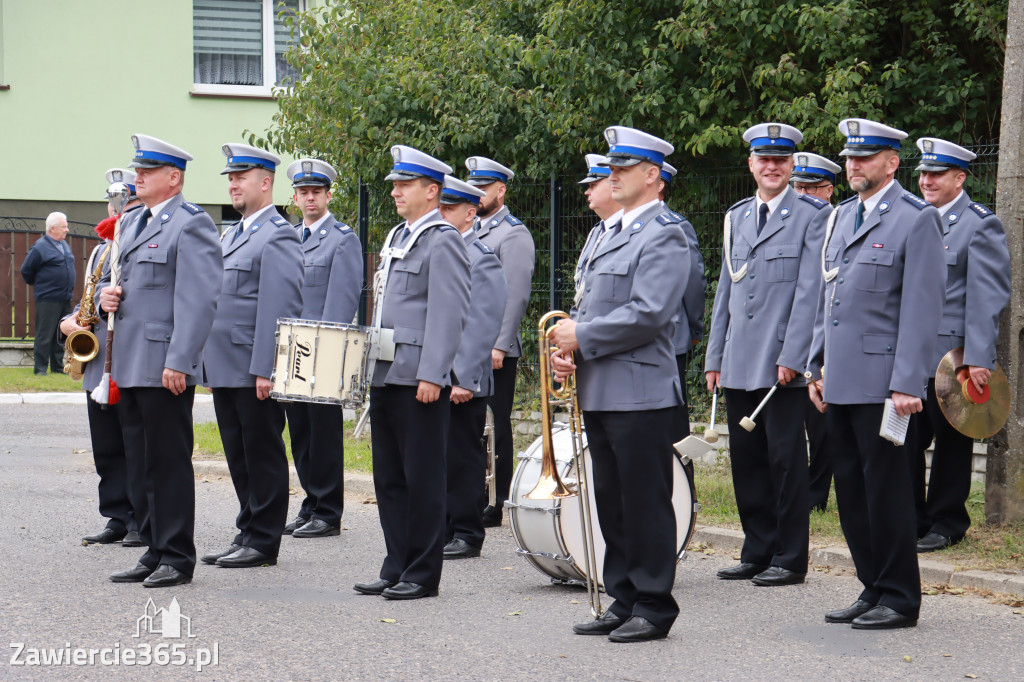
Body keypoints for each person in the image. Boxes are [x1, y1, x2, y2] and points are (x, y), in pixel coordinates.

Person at [550, 126, 690, 643]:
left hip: (641, 391)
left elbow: (649, 315)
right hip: (602, 387)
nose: (614, 175)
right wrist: (571, 352)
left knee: (645, 502)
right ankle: (623, 596)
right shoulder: (605, 232)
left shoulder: (666, 233)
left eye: (624, 167)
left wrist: (582, 335)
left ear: (652, 176)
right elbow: (593, 307)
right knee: (611, 499)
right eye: (612, 167)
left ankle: (655, 605)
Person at [807, 118, 945, 629]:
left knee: (886, 491)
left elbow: (923, 307)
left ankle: (900, 597)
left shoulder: (915, 218)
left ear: (891, 163)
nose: (853, 166)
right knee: (851, 490)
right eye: (849, 157)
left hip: (886, 382)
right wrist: (815, 365)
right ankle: (872, 586)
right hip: (840, 378)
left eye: (865, 158)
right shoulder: (840, 217)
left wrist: (909, 381)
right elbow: (829, 297)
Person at [705, 124, 829, 587]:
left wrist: (796, 355)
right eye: (764, 159)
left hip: (782, 363)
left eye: (781, 160)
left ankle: (790, 556)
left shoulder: (814, 215)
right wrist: (714, 357)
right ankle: (756, 548)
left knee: (785, 459)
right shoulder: (737, 216)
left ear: (792, 166)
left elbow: (811, 291)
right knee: (747, 460)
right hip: (738, 359)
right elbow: (725, 290)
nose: (772, 167)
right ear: (752, 165)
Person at [99, 134, 222, 588]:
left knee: (168, 462)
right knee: (140, 460)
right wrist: (110, 296)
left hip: (164, 364)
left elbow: (199, 299)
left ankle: (176, 555)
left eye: (147, 172)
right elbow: (128, 284)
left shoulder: (192, 224)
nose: (138, 178)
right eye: (138, 171)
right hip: (130, 360)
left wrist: (181, 361)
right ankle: (152, 547)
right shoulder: (132, 223)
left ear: (174, 178)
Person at [353, 145, 470, 600]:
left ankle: (422, 573)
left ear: (432, 191)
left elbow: (449, 312)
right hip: (387, 373)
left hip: (418, 377)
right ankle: (395, 563)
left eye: (405, 185)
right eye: (395, 185)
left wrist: (433, 373)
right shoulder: (399, 237)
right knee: (391, 477)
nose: (396, 192)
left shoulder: (444, 240)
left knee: (422, 478)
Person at [200, 144, 303, 569]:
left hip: (253, 365)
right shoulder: (235, 233)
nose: (233, 184)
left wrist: (267, 367)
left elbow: (280, 308)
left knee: (261, 451)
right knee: (238, 453)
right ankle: (247, 529)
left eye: (241, 177)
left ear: (266, 182)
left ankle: (263, 540)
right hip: (226, 364)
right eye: (230, 178)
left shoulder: (277, 233)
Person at [908, 137, 1010, 552]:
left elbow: (986, 296)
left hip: (953, 359)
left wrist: (979, 358)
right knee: (904, 441)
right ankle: (910, 519)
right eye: (923, 174)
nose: (927, 181)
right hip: (907, 358)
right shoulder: (912, 218)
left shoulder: (978, 223)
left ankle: (947, 522)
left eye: (937, 174)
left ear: (960, 177)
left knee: (952, 445)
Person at [60, 170, 143, 546]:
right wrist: (70, 321)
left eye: (124, 200)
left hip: (128, 357)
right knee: (106, 444)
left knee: (133, 442)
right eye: (113, 201)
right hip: (97, 362)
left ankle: (142, 518)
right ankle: (116, 515)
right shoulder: (99, 248)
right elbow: (87, 299)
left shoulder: (140, 244)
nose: (116, 208)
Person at [281, 158, 363, 539]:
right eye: (303, 192)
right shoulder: (288, 236)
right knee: (299, 432)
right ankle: (310, 503)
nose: (309, 197)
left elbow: (342, 301)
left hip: (324, 349)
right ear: (295, 198)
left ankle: (328, 511)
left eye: (316, 191)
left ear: (328, 195)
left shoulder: (342, 238)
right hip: (290, 349)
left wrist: (326, 350)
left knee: (323, 434)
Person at [437, 175, 507, 560]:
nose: (442, 214)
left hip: (464, 378)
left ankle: (467, 531)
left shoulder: (480, 258)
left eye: (449, 209)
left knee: (464, 457)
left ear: (469, 213)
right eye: (440, 207)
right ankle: (446, 526)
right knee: (441, 454)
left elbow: (481, 323)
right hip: (435, 373)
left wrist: (462, 376)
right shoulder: (441, 251)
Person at [465, 156, 535, 527]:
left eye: (484, 187)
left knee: (496, 423)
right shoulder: (468, 227)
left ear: (501, 190)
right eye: (472, 187)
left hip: (495, 348)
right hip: (469, 344)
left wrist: (499, 344)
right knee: (474, 424)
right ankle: (475, 493)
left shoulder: (512, 234)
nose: (477, 194)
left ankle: (497, 500)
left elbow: (515, 296)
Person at [791, 152, 842, 512]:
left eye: (812, 188)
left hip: (825, 338)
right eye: (799, 186)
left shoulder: (836, 224)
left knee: (822, 425)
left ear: (829, 191)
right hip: (792, 340)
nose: (804, 193)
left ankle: (815, 496)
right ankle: (800, 491)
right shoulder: (787, 223)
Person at [659, 161, 706, 441]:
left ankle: (681, 482)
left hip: (670, 337)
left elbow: (694, 281)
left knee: (672, 419)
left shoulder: (676, 227)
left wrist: (695, 329)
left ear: (659, 184)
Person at [20, 212, 76, 375]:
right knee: (45, 335)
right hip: (48, 298)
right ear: (52, 229)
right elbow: (26, 271)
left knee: (61, 334)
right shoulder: (40, 247)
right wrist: (41, 286)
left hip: (65, 297)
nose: (67, 230)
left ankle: (58, 367)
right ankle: (40, 369)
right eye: (64, 227)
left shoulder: (64, 244)